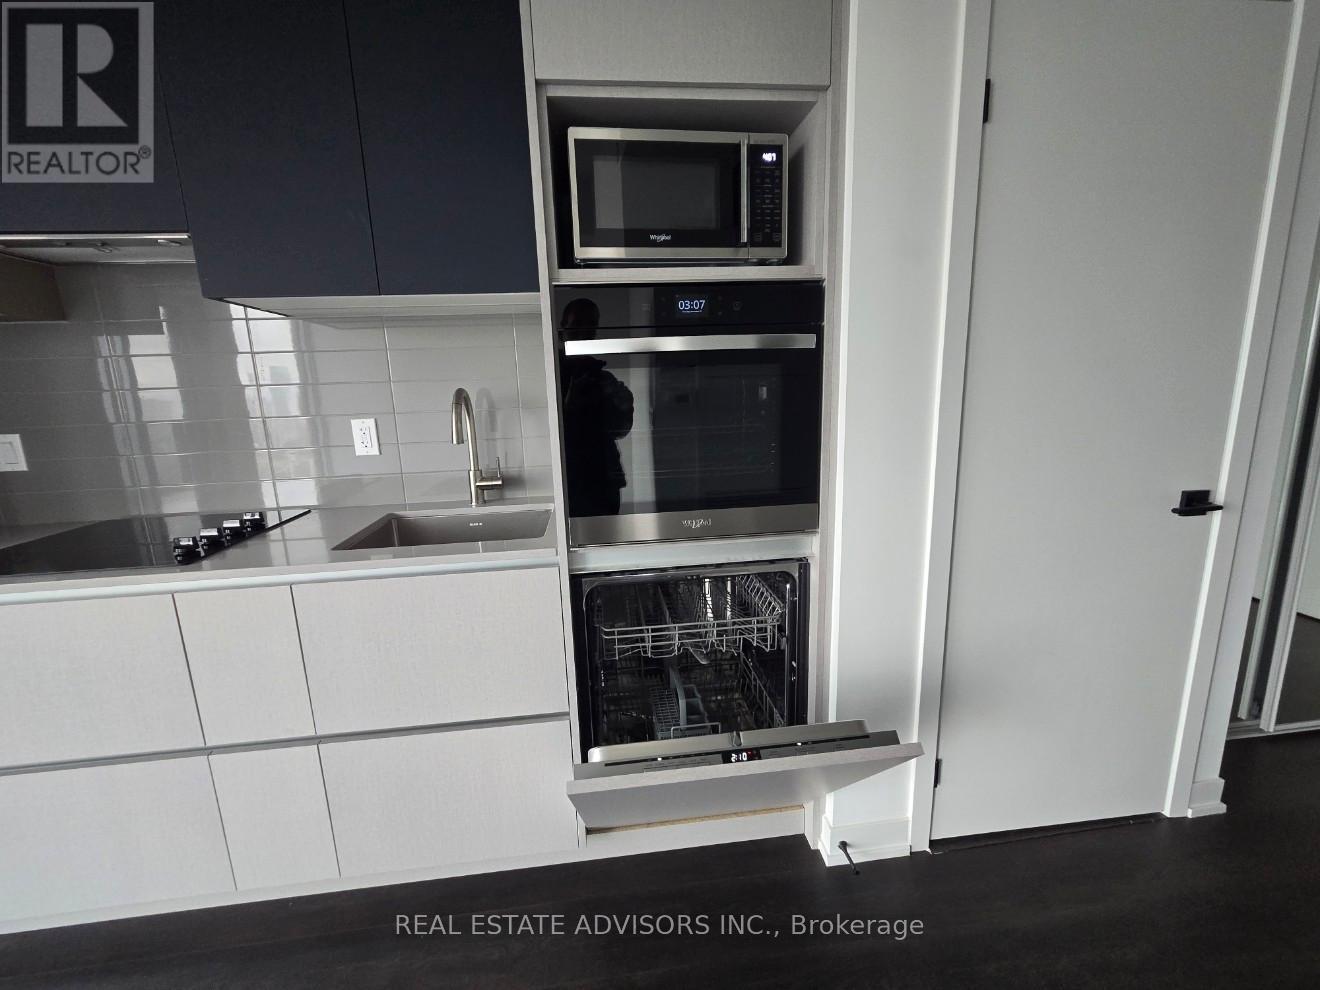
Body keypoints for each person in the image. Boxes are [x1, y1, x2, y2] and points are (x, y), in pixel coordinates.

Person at [560, 298, 634, 517]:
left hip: (604, 479)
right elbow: (550, 434)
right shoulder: (553, 375)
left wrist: (624, 406)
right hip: (570, 480)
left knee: (608, 542)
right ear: (562, 327)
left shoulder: (601, 377)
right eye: (577, 324)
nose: (584, 331)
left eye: (590, 325)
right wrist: (570, 404)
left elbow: (619, 430)